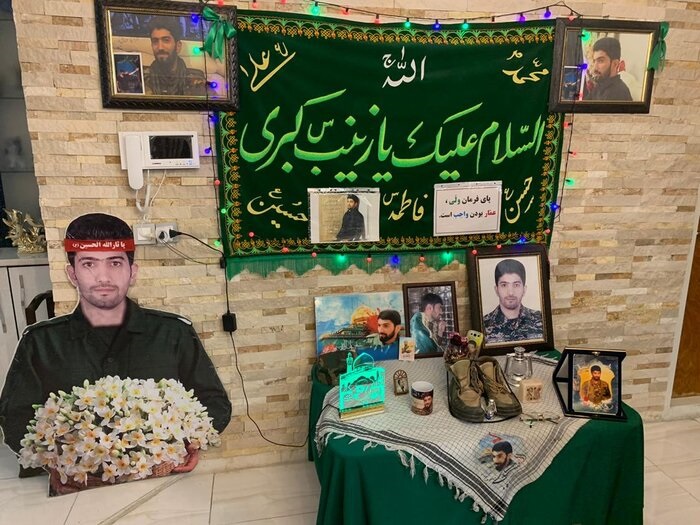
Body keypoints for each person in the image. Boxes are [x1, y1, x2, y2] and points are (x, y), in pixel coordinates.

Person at [0, 213, 232, 460]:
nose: (103, 277)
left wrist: (187, 443)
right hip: (80, 478)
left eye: (115, 263)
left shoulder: (174, 333)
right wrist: (59, 459)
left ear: (133, 272)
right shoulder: (40, 343)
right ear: (72, 274)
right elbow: (15, 418)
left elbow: (214, 403)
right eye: (89, 264)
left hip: (164, 471)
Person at [482, 259, 543, 343]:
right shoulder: (483, 325)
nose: (510, 293)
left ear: (524, 289)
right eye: (504, 285)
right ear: (496, 290)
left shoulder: (541, 319)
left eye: (516, 285)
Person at [144, 16, 206, 96]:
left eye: (166, 40)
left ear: (178, 46)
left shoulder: (196, 81)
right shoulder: (143, 79)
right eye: (155, 41)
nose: (160, 47)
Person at [583, 37, 632, 101]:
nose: (595, 67)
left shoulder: (618, 93)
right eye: (594, 61)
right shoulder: (601, 84)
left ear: (615, 64)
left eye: (600, 61)